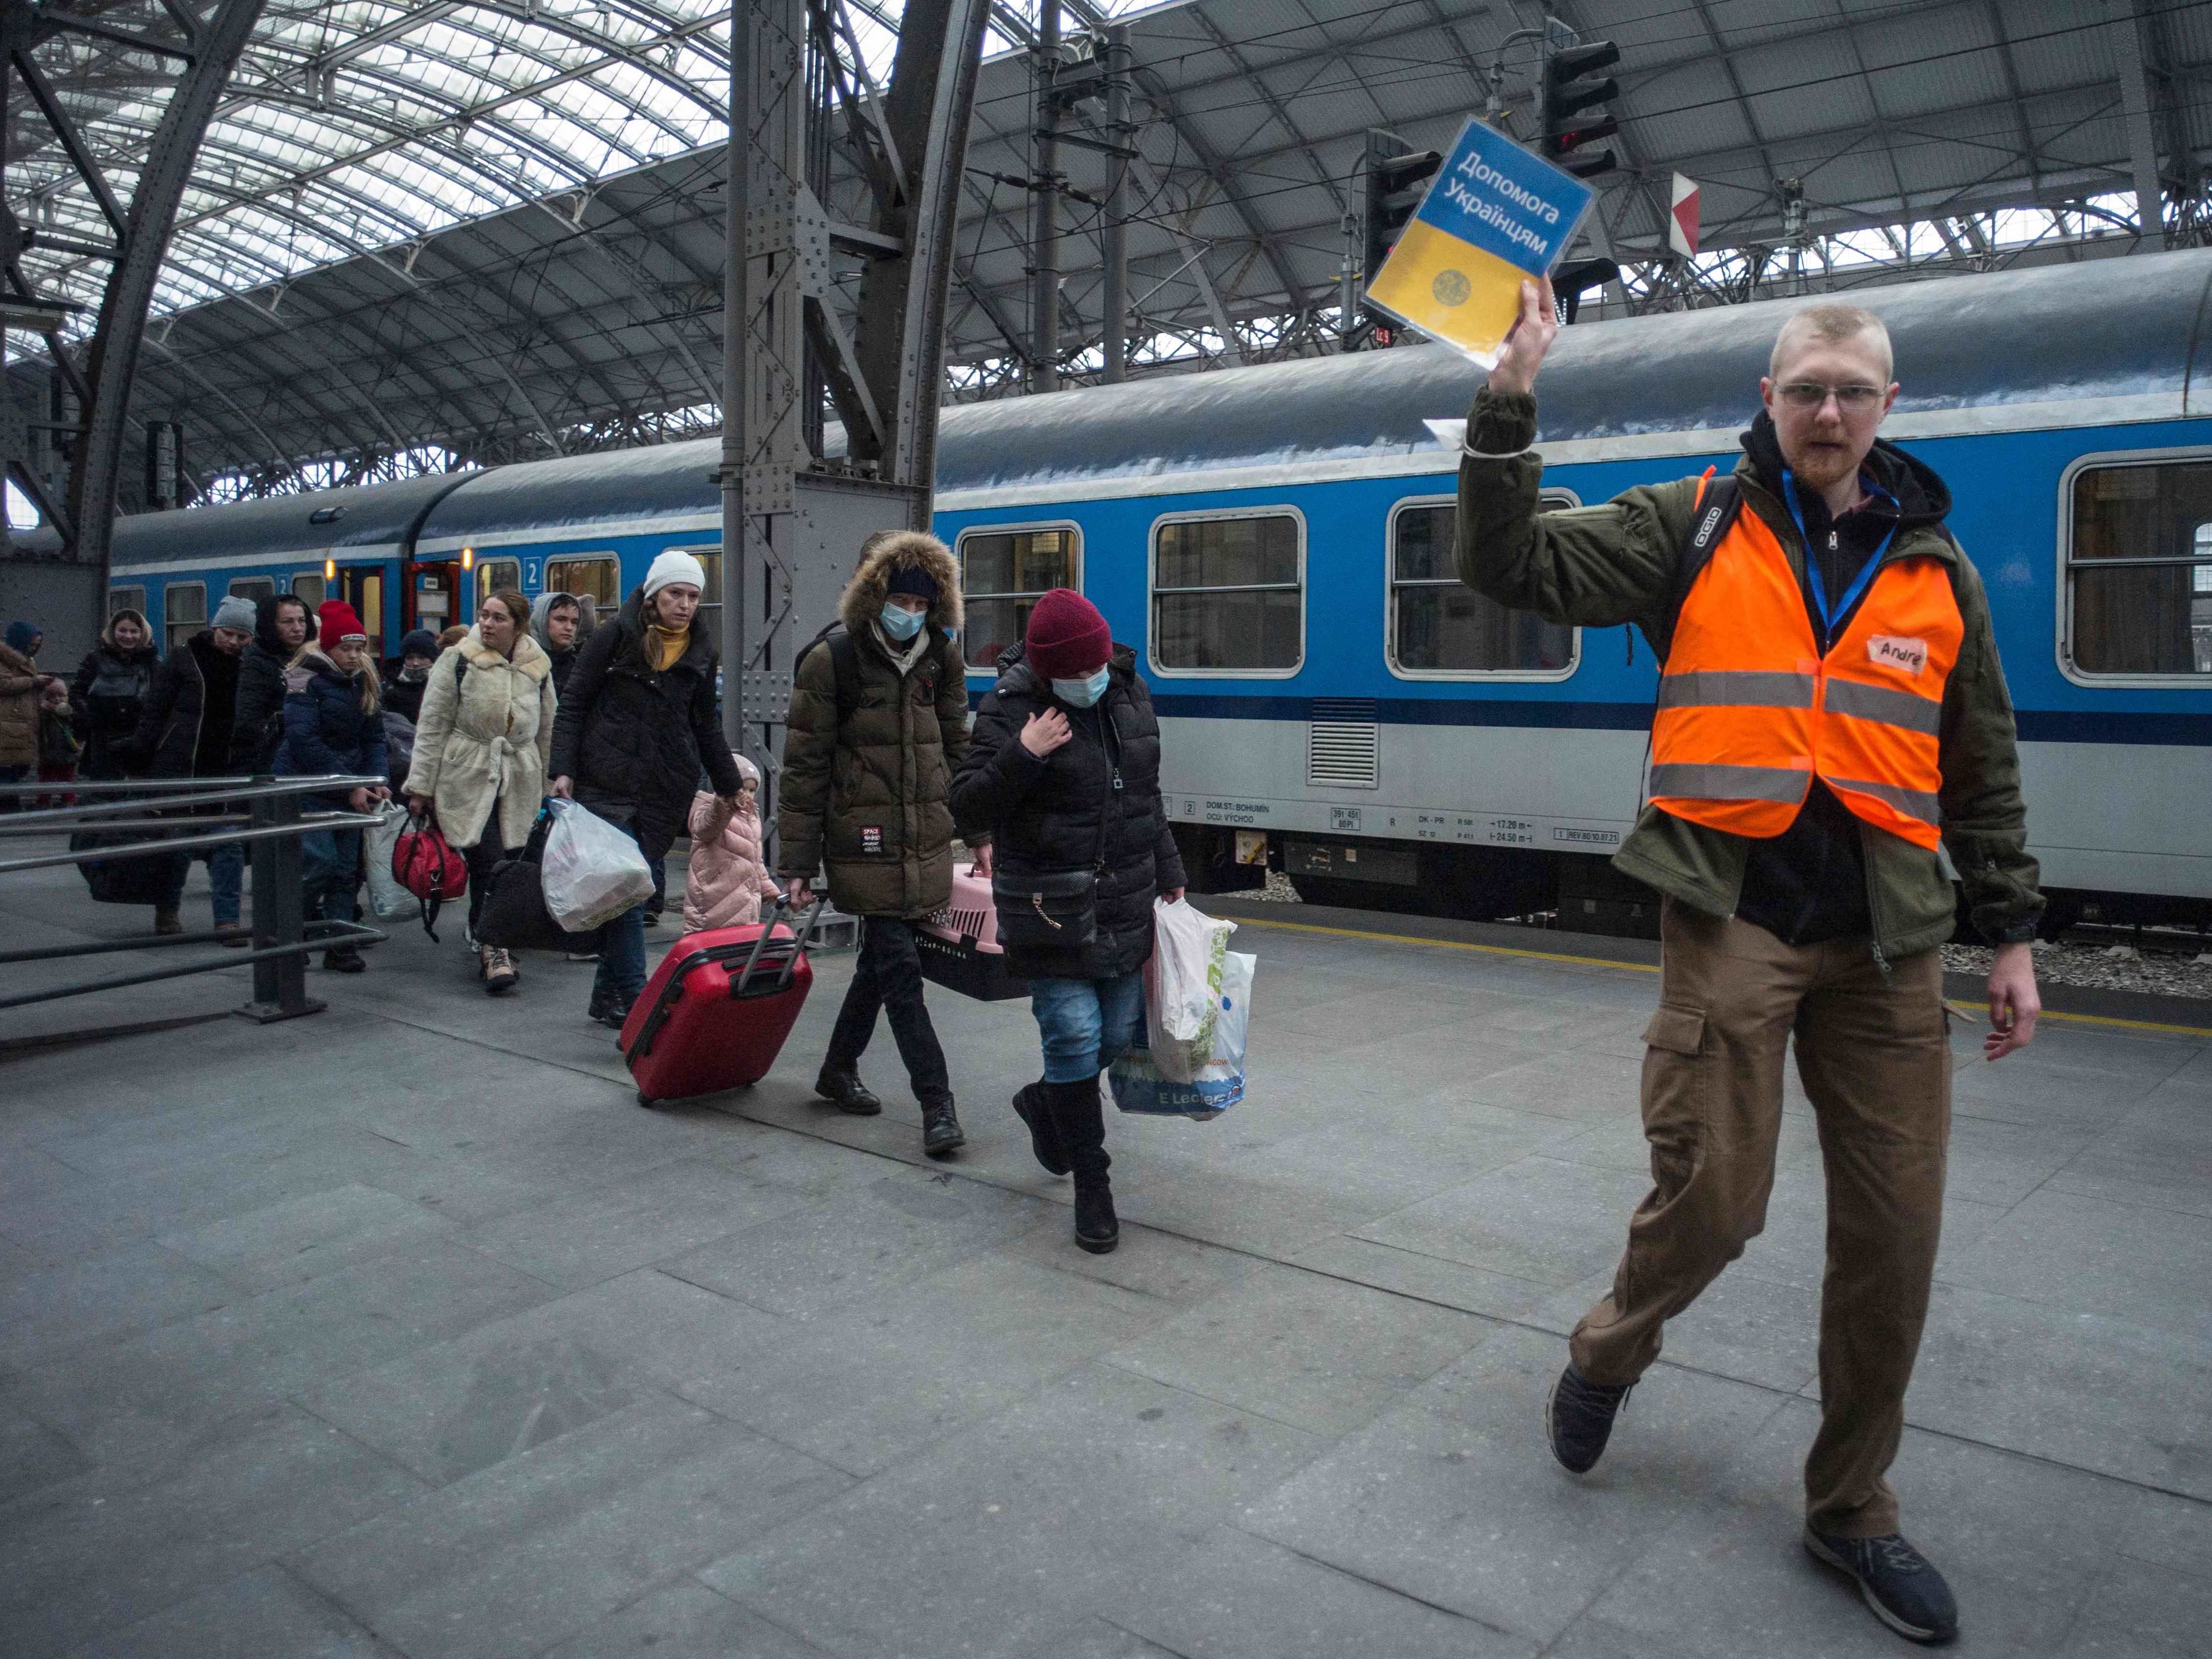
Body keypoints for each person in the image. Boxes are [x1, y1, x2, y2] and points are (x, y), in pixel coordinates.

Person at [1458, 282, 2045, 1646]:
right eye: (1805, 389)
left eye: (1851, 389)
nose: (1828, 410)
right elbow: (1513, 568)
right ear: (1769, 402)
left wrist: (2008, 931)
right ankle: (1608, 1350)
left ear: (1888, 405)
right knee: (1717, 1199)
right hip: (1735, 914)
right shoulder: (1693, 520)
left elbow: (1983, 765)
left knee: (1894, 1240)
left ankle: (1852, 1509)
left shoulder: (1936, 565)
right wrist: (1509, 401)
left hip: (1890, 942)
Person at [950, 589, 1186, 1253]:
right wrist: (1024, 752)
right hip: (1047, 910)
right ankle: (1093, 1184)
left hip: (1124, 900)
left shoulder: (1129, 695)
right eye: (1075, 675)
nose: (1090, 681)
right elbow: (965, 805)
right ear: (1048, 673)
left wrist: (1171, 874)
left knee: (1113, 1033)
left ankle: (1046, 1102)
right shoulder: (1008, 709)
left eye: (1098, 668)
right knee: (1076, 1036)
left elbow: (1146, 798)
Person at [778, 529, 980, 1158]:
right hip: (861, 842)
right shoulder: (830, 661)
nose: (910, 616)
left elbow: (957, 750)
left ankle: (837, 1069)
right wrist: (796, 863)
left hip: (922, 841)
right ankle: (937, 1104)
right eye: (902, 602)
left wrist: (979, 832)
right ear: (877, 595)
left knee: (878, 967)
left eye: (923, 607)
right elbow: (804, 771)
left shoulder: (940, 659)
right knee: (901, 972)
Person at [548, 552, 741, 1028]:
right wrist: (563, 769)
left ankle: (605, 998)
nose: (685, 605)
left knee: (627, 889)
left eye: (694, 596)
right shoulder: (613, 637)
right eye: (676, 593)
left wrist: (729, 784)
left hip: (661, 787)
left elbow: (703, 723)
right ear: (653, 595)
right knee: (630, 892)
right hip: (605, 780)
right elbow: (573, 703)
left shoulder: (700, 650)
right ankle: (640, 1005)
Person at [403, 589, 555, 993]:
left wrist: (553, 783)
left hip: (520, 778)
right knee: (487, 862)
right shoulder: (458, 660)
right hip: (467, 774)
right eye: (484, 615)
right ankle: (494, 949)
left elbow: (548, 730)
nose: (488, 624)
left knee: (511, 862)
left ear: (519, 626)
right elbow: (432, 724)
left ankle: (484, 930)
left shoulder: (537, 667)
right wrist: (420, 786)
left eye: (499, 618)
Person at [119, 595, 257, 937]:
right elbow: (155, 711)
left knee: (229, 846)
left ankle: (227, 920)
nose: (234, 642)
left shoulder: (247, 668)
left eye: (242, 637)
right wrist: (139, 755)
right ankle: (167, 910)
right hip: (180, 766)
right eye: (229, 633)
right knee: (178, 845)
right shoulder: (183, 659)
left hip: (224, 769)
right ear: (214, 628)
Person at [274, 601, 389, 971]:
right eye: (346, 648)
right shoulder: (302, 678)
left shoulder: (364, 682)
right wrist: (350, 786)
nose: (355, 656)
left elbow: (374, 738)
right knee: (318, 862)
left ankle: (340, 944)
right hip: (306, 784)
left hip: (349, 785)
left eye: (360, 648)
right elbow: (303, 740)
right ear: (327, 647)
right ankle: (293, 929)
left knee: (345, 870)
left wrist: (377, 780)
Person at [680, 751, 779, 934]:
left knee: (739, 946)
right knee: (711, 944)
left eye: (752, 790)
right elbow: (705, 828)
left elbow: (755, 858)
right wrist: (726, 803)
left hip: (745, 899)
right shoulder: (708, 808)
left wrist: (766, 886)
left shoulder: (751, 816)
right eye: (743, 788)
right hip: (713, 900)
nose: (748, 795)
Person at [69, 609, 160, 781]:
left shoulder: (154, 665)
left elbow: (161, 702)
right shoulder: (95, 660)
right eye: (122, 631)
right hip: (102, 743)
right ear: (113, 632)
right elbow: (77, 693)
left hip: (139, 742)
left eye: (134, 631)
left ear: (143, 634)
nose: (128, 636)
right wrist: (93, 719)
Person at [231, 593, 314, 779]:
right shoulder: (256, 665)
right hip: (267, 763)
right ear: (271, 626)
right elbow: (248, 721)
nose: (297, 628)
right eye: (288, 622)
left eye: (302, 621)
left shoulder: (310, 660)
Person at [0, 619, 55, 812]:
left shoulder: (26, 661)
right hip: (8, 728)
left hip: (18, 727)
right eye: (32, 645)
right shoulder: (5, 660)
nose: (34, 649)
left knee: (15, 772)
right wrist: (33, 682)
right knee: (7, 774)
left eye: (37, 646)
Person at [530, 592, 586, 696]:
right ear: (543, 621)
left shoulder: (579, 666)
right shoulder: (521, 660)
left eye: (574, 622)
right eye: (561, 620)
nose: (569, 627)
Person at [381, 629, 441, 725]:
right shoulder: (389, 689)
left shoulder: (443, 686)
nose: (416, 663)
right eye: (410, 658)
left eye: (422, 658)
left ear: (433, 659)